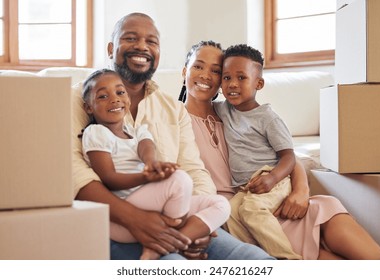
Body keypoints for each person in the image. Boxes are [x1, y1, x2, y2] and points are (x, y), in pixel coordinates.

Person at [72, 13, 274, 260]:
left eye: (152, 41)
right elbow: (74, 173)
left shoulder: (174, 109)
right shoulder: (78, 100)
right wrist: (136, 219)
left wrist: (200, 227)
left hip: (178, 219)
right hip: (114, 224)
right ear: (111, 48)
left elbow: (194, 169)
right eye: (131, 38)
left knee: (257, 260)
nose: (142, 47)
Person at [179, 40, 380, 260]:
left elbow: (287, 156)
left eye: (216, 70)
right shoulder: (172, 121)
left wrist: (301, 191)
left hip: (278, 200)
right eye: (198, 66)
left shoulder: (231, 112)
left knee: (372, 255)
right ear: (185, 71)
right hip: (241, 219)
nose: (206, 75)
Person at [80, 69, 230, 260]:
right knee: (179, 179)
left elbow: (146, 146)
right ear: (89, 108)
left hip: (156, 210)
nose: (114, 99)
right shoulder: (97, 133)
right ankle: (172, 240)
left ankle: (169, 245)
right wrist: (145, 176)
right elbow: (108, 178)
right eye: (102, 96)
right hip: (123, 220)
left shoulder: (136, 131)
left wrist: (153, 164)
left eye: (120, 92)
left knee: (220, 205)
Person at [212, 44, 300, 259]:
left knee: (251, 210)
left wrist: (272, 178)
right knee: (229, 213)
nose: (232, 84)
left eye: (241, 78)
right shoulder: (223, 109)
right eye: (226, 77)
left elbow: (289, 156)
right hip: (245, 186)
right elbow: (196, 102)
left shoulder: (267, 117)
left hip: (271, 178)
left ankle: (288, 259)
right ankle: (258, 258)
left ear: (258, 83)